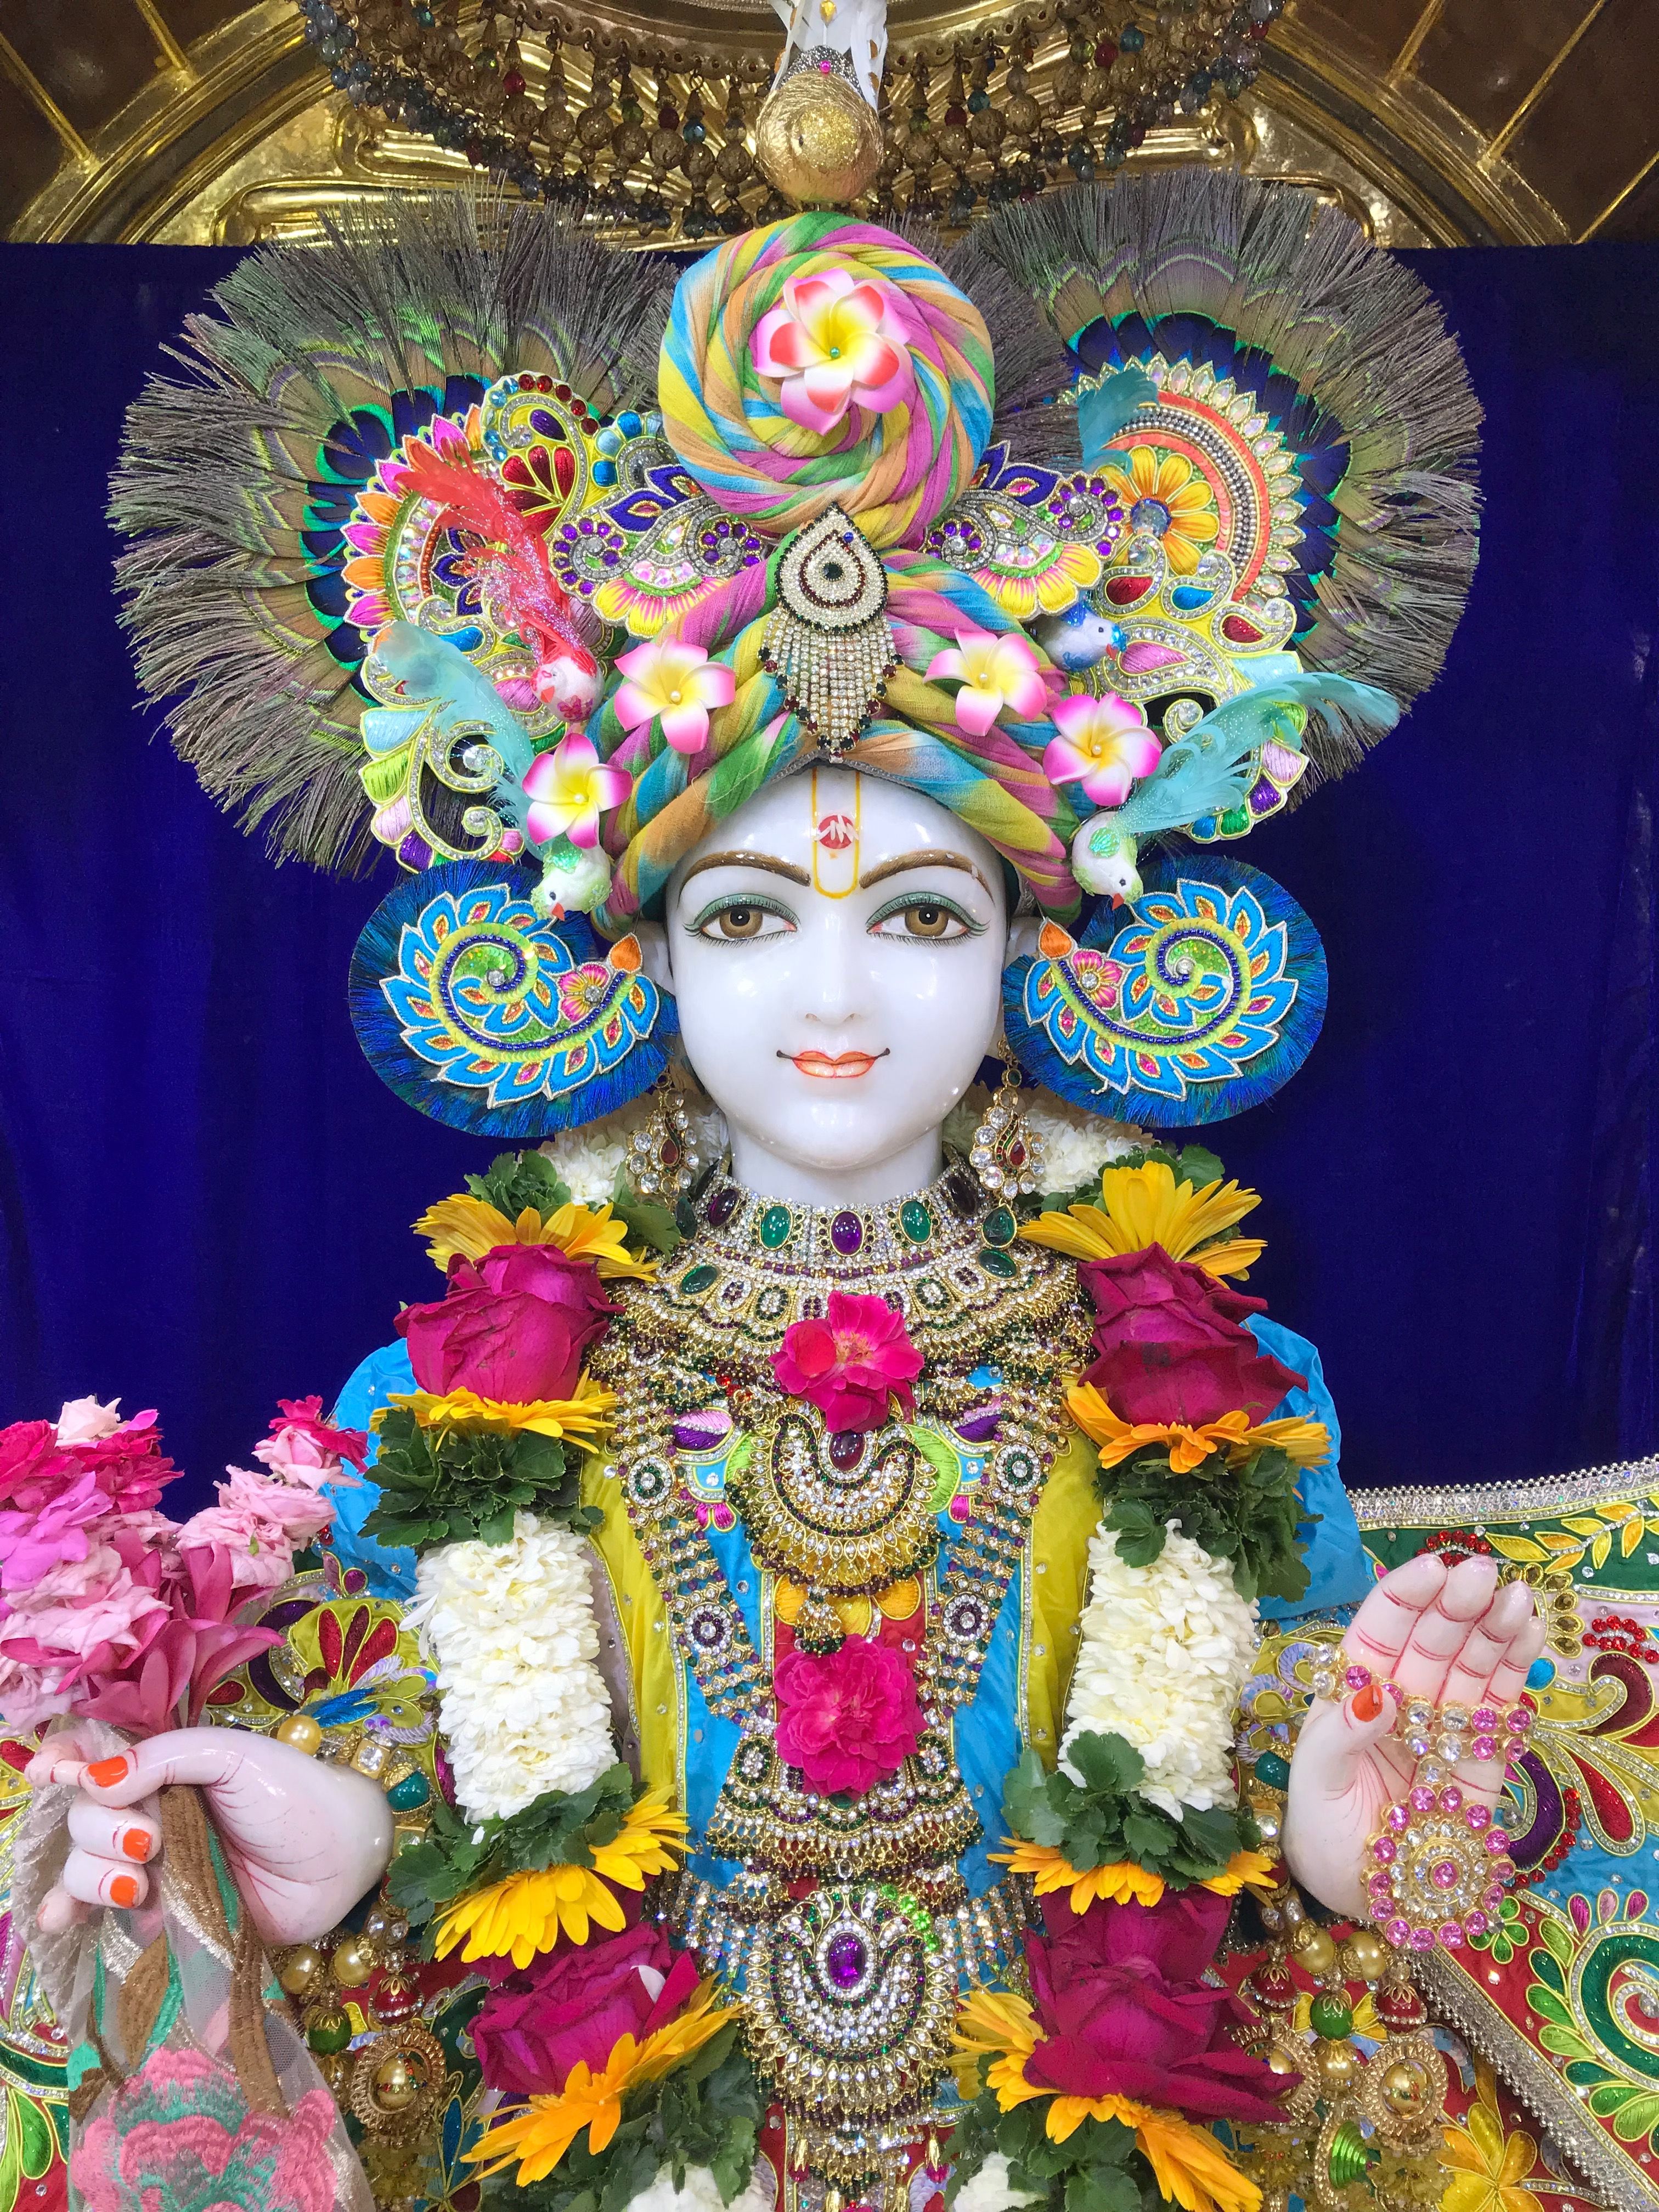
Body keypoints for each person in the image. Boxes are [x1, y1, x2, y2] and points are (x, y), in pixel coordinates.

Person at [27, 159, 1534, 2212]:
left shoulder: (1215, 1376)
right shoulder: (461, 1404)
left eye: (921, 923)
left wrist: (1362, 1815)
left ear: (1033, 963)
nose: (836, 997)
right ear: (635, 964)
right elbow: (443, 1785)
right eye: (749, 923)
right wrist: (335, 1831)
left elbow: (1270, 1799)